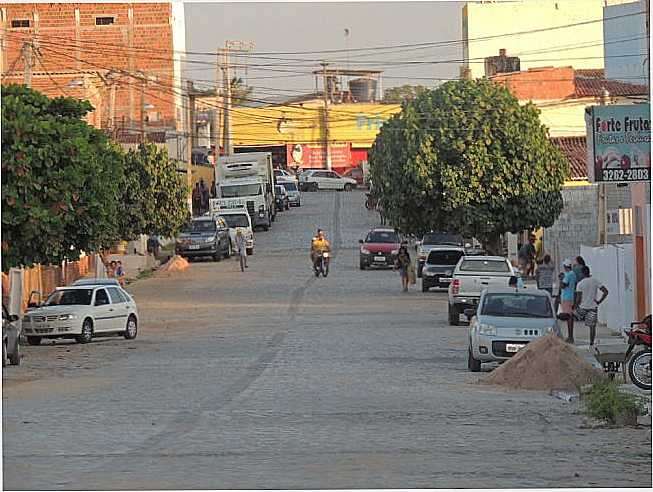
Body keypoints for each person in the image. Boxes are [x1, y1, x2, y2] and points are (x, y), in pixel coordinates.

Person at [574, 266, 609, 346]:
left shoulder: (580, 284)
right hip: (592, 307)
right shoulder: (595, 281)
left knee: (571, 319)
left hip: (582, 308)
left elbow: (578, 299)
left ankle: (572, 337)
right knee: (592, 327)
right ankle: (591, 343)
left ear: (582, 273)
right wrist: (599, 301)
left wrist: (575, 307)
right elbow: (606, 291)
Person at [559, 259, 578, 344]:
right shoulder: (572, 274)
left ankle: (570, 337)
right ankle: (570, 336)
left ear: (565, 266)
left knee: (568, 317)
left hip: (567, 297)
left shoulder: (568, 275)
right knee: (569, 317)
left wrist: (561, 279)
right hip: (570, 296)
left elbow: (563, 286)